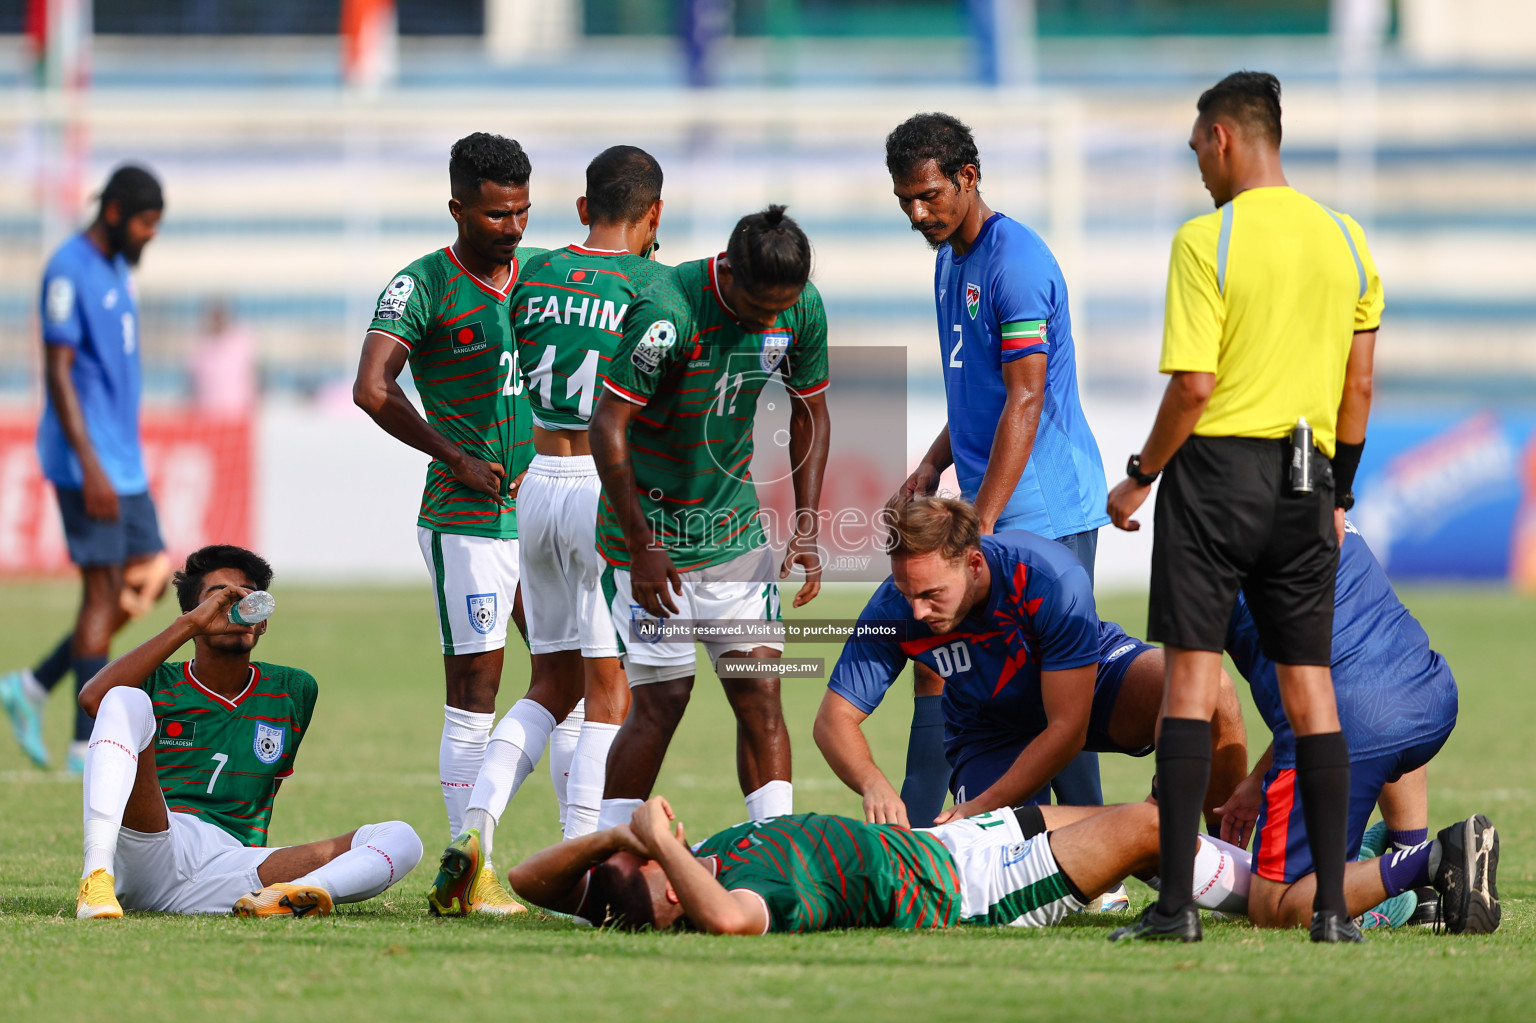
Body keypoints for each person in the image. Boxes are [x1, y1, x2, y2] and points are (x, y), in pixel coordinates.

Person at [1105, 71, 1381, 943]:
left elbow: (1195, 385)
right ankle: (1333, 911)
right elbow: (1358, 386)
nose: (1197, 167)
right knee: (1313, 693)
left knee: (1190, 680)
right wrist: (1340, 494)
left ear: (1223, 137)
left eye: (1196, 149)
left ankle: (1177, 909)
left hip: (1218, 473)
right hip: (1309, 478)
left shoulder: (1206, 241)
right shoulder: (1349, 240)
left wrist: (1142, 473)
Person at [885, 113, 1111, 825]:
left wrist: (977, 523)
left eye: (930, 196)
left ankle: (1095, 858)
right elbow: (980, 391)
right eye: (906, 202)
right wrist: (932, 462)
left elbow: (1026, 394)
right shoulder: (950, 260)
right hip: (991, 507)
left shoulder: (1017, 263)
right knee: (954, 671)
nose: (919, 214)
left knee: (1058, 687)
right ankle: (938, 837)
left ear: (968, 178)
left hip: (1043, 509)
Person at [352, 132, 547, 914]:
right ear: (458, 207)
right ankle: (474, 868)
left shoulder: (539, 283)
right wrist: (455, 455)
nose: (513, 229)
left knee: (575, 677)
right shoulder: (422, 284)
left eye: (523, 212)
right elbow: (372, 387)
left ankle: (579, 847)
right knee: (476, 690)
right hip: (466, 516)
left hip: (540, 513)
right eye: (497, 215)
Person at [589, 205, 831, 832]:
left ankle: (776, 849)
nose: (774, 321)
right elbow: (607, 425)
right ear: (729, 272)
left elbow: (810, 413)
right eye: (760, 309)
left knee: (760, 695)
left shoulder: (798, 307)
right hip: (649, 542)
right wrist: (640, 544)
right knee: (662, 701)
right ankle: (604, 852)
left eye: (785, 305)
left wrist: (806, 525)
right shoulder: (668, 312)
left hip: (734, 536)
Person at [814, 496, 1246, 832]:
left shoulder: (1047, 576)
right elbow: (834, 719)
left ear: (975, 563)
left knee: (1211, 688)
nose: (917, 613)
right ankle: (1142, 838)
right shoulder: (893, 607)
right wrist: (873, 782)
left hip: (1091, 687)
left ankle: (1220, 856)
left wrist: (981, 806)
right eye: (907, 593)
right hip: (989, 730)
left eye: (931, 595)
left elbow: (1067, 730)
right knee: (1007, 857)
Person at [515, 794, 1496, 937]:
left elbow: (526, 883)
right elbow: (724, 924)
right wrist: (658, 840)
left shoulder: (670, 864)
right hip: (966, 892)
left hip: (957, 841)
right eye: (647, 868)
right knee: (1159, 829)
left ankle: (1382, 892)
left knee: (1191, 828)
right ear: (661, 901)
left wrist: (611, 839)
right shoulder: (727, 896)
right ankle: (1422, 864)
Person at [72, 545, 423, 919]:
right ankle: (96, 877)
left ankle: (295, 896)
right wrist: (190, 625)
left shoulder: (293, 689)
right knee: (124, 699)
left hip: (236, 865)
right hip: (155, 841)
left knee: (401, 838)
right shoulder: (155, 681)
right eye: (219, 598)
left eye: (247, 598)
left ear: (264, 621)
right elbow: (95, 699)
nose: (234, 607)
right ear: (193, 614)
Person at [498, 145, 666, 847]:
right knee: (609, 691)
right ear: (654, 214)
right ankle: (584, 850)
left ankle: (474, 827)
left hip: (533, 480)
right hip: (601, 489)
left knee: (550, 682)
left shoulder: (531, 272)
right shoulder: (652, 288)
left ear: (581, 208)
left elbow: (502, 373)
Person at [1214, 521, 1492, 932]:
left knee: (1272, 907)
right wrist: (1259, 780)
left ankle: (1434, 860)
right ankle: (1418, 886)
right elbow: (1350, 653)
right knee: (1374, 680)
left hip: (1348, 721)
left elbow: (1199, 691)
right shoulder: (1322, 501)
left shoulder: (1203, 537)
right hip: (1427, 690)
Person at [1, 165, 171, 773]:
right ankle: (83, 745)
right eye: (148, 222)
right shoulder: (68, 270)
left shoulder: (117, 267)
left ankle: (36, 683)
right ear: (118, 213)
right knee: (100, 591)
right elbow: (59, 372)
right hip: (86, 463)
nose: (152, 235)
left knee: (151, 576)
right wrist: (91, 466)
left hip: (121, 461)